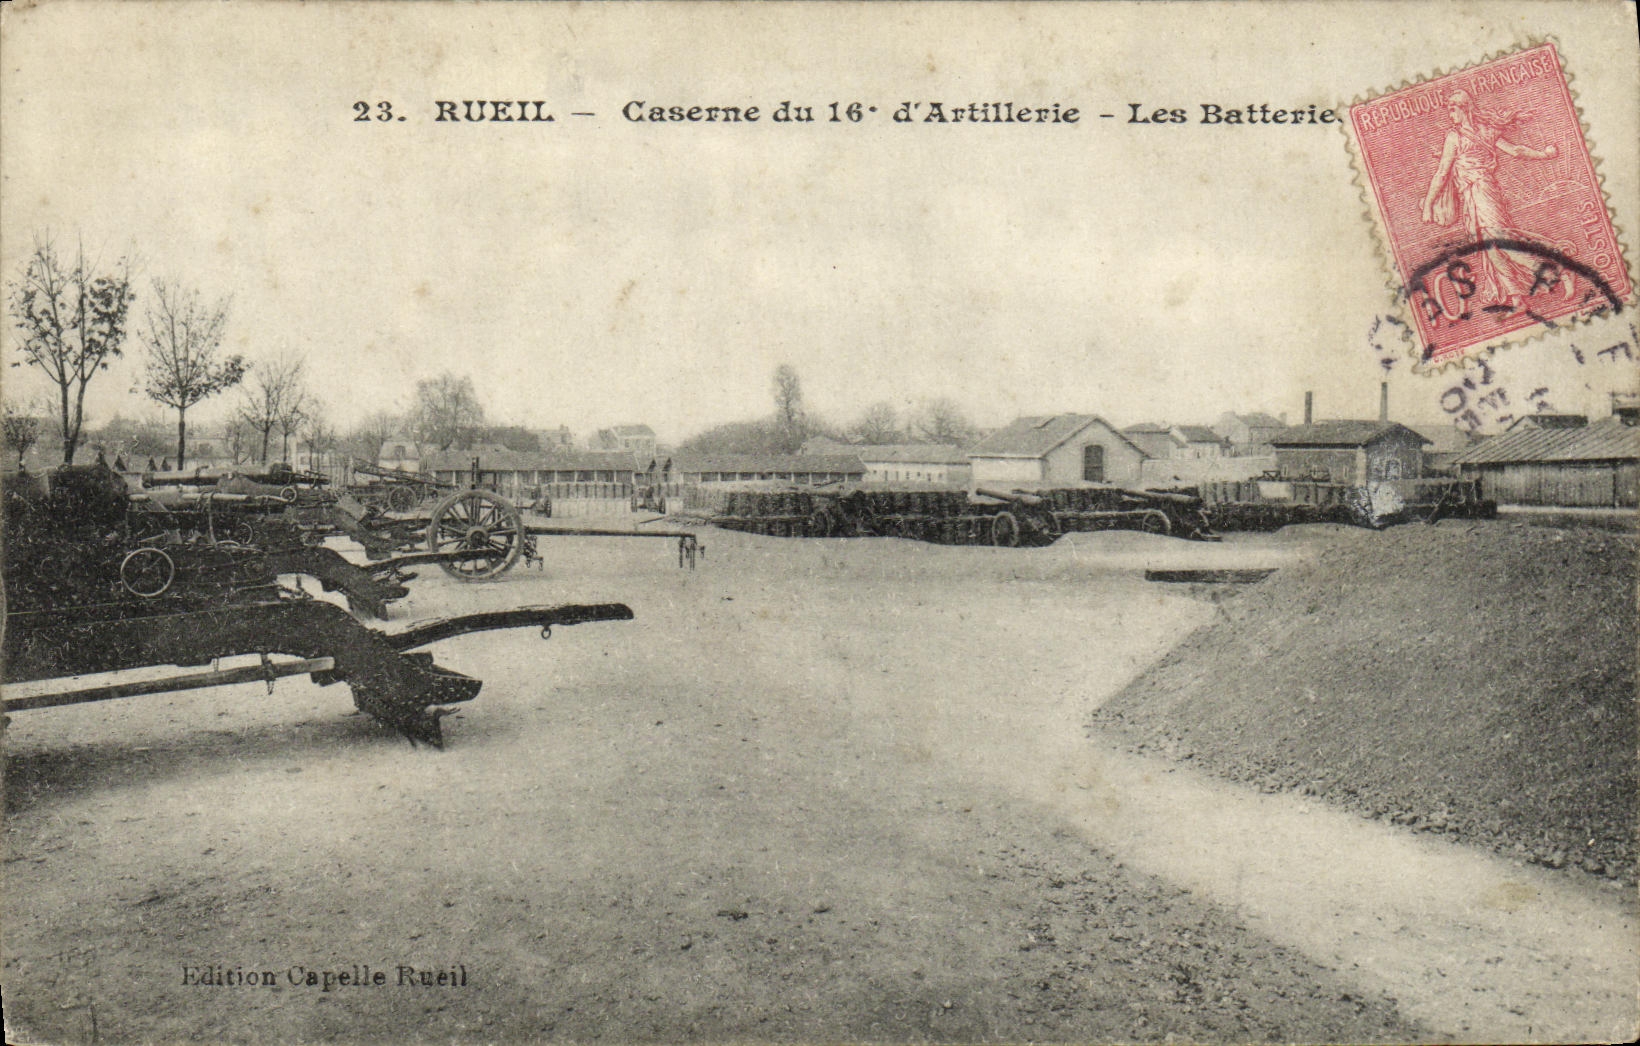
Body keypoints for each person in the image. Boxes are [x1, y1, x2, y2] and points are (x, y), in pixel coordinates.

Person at [1421, 89, 1568, 311]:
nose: (1451, 115)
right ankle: (1517, 299)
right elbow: (1515, 151)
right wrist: (1544, 154)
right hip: (1472, 198)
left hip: (1483, 193)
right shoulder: (1476, 132)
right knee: (1489, 249)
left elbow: (1443, 173)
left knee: (1501, 242)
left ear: (1465, 108)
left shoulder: (1459, 136)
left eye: (1453, 110)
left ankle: (1557, 272)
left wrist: (1429, 204)